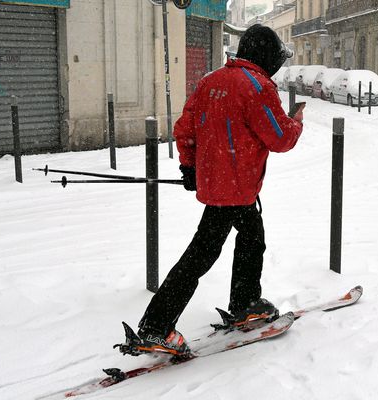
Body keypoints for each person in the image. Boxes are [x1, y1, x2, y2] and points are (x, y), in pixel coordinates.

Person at [131, 24, 304, 356]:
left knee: (249, 237)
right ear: (266, 56)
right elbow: (280, 138)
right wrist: (297, 121)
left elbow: (185, 129)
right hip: (236, 188)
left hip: (218, 184)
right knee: (203, 254)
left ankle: (244, 303)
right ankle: (157, 325)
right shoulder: (257, 86)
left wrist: (190, 167)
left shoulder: (210, 82)